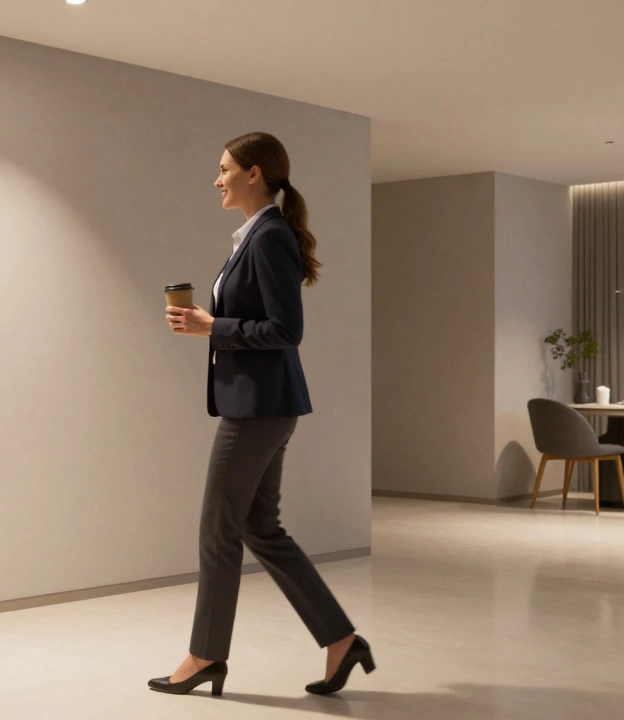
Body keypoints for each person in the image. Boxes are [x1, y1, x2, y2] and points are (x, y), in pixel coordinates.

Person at [149, 132, 374, 696]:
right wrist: (208, 322)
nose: (217, 179)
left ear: (254, 174)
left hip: (258, 408)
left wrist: (212, 327)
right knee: (258, 528)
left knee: (217, 529)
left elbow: (286, 330)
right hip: (263, 404)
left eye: (225, 169)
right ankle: (342, 641)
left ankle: (204, 657)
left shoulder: (269, 236)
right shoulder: (254, 235)